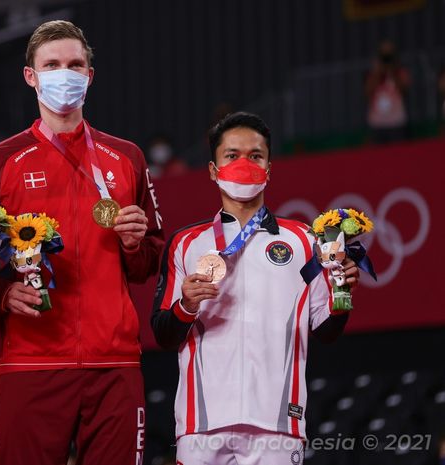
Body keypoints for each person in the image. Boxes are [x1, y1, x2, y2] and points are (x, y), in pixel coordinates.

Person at [0, 20, 164, 465]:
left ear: (90, 76)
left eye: (75, 65)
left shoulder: (126, 157)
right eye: (52, 65)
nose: (65, 74)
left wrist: (135, 245)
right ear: (30, 76)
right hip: (30, 363)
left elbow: (148, 262)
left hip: (114, 364)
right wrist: (0, 294)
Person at [150, 112, 361, 465]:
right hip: (202, 423)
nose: (244, 164)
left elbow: (326, 330)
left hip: (277, 422)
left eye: (255, 156)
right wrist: (186, 305)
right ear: (213, 170)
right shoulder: (186, 244)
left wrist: (342, 292)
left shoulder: (305, 241)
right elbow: (163, 334)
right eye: (232, 156)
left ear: (269, 167)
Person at [365, 39, 411, 143]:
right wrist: (378, 72)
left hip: (397, 124)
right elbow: (367, 92)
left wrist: (393, 71)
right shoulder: (373, 74)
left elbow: (404, 91)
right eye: (384, 55)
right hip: (377, 125)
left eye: (389, 55)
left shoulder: (401, 72)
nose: (386, 58)